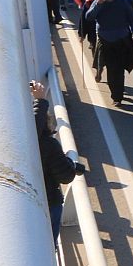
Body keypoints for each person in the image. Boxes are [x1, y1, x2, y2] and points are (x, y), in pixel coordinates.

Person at [32, 80, 82, 237]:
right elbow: (65, 176)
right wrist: (70, 164)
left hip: (26, 204)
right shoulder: (49, 144)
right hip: (49, 202)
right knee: (48, 242)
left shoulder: (17, 140)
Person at [82, 0, 133, 102]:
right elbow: (88, 17)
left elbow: (132, 21)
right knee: (111, 68)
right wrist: (98, 5)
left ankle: (118, 95)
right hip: (106, 41)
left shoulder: (122, 3)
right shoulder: (97, 3)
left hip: (122, 40)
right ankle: (115, 95)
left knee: (119, 68)